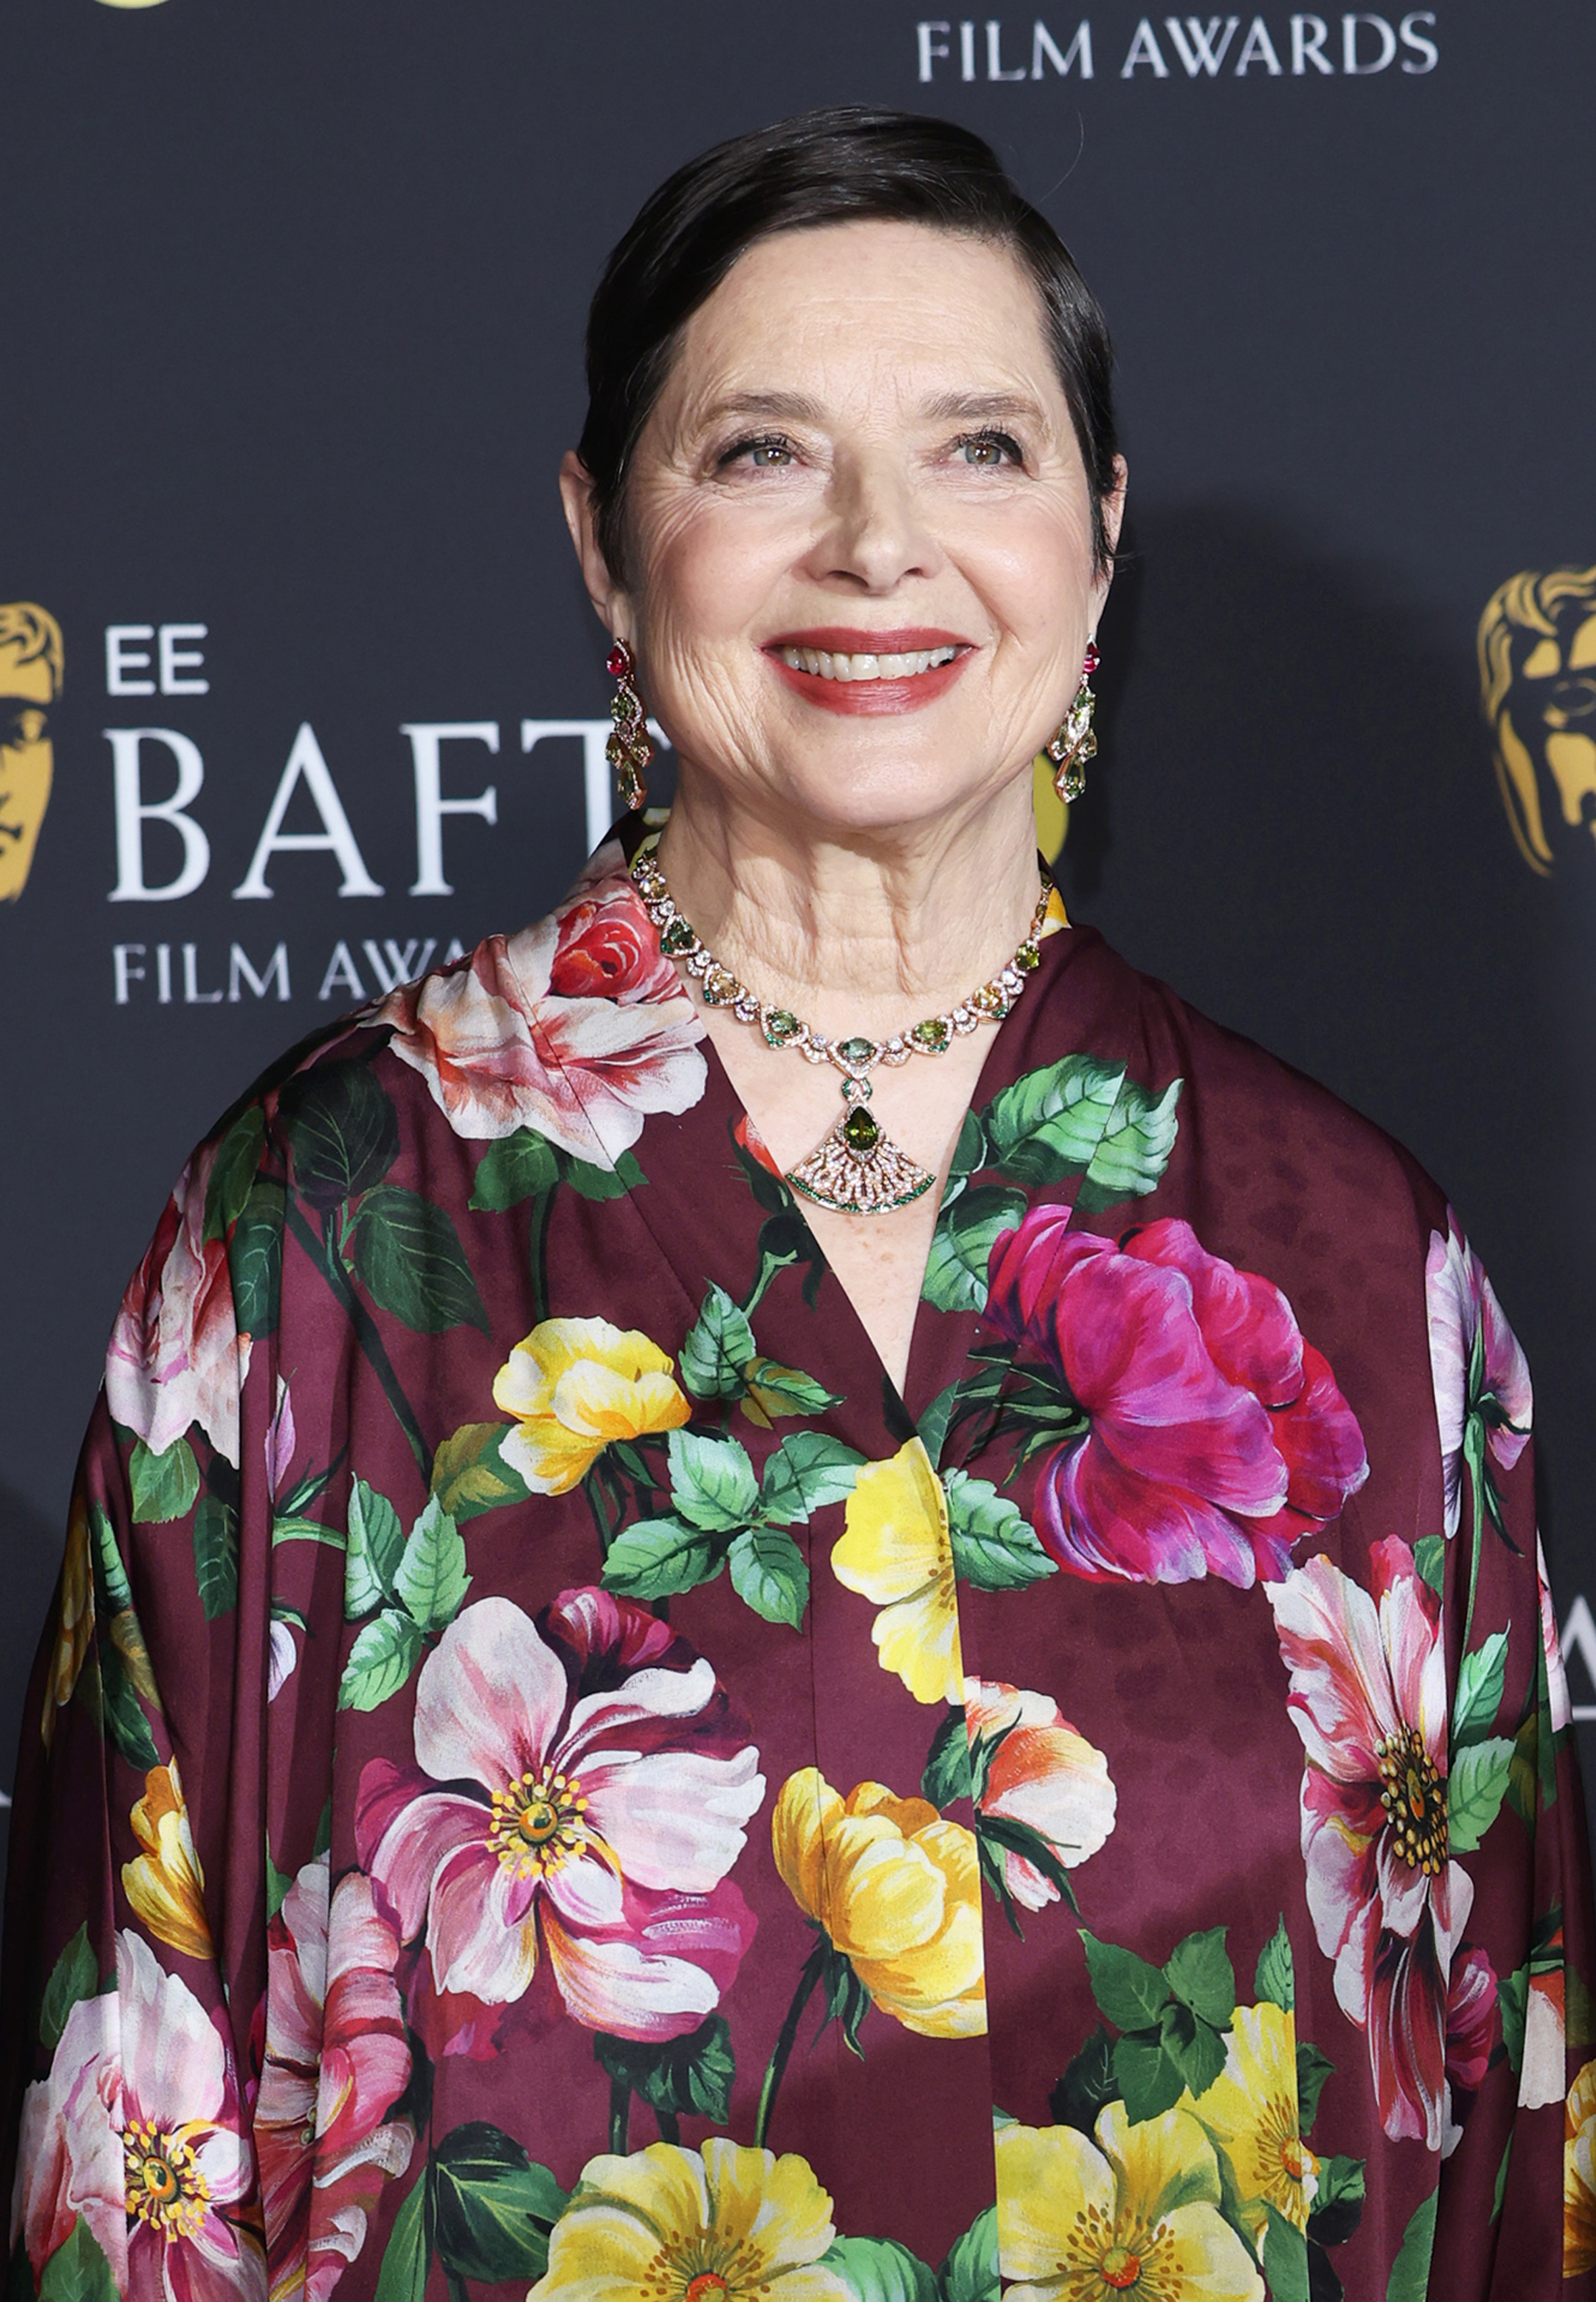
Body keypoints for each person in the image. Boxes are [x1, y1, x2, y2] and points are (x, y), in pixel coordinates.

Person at [1, 107, 1589, 2302]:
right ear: (601, 540)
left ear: (1103, 538)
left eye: (980, 450)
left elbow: (1509, 2147)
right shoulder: (308, 1239)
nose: (878, 548)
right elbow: (131, 2141)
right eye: (760, 451)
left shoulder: (1358, 1268)